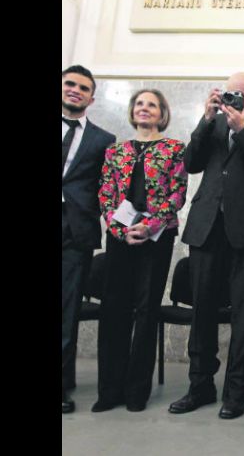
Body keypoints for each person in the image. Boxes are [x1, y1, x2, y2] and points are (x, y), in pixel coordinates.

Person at [168, 72, 244, 420]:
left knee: (243, 315)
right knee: (202, 310)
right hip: (206, 228)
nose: (242, 101)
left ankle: (237, 391)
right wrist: (206, 120)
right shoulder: (213, 124)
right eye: (236, 94)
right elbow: (191, 163)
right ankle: (200, 385)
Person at [94, 89, 188, 412]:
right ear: (132, 112)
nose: (144, 109)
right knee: (114, 308)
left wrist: (149, 226)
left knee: (147, 310)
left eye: (152, 104)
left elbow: (177, 193)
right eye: (139, 104)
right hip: (120, 238)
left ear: (162, 113)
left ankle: (136, 392)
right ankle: (109, 390)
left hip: (157, 238)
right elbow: (105, 193)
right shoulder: (115, 152)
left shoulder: (174, 149)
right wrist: (120, 230)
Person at [62, 65, 116, 414]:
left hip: (75, 231)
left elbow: (107, 188)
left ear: (91, 98)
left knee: (66, 312)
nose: (75, 90)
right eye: (69, 83)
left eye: (83, 87)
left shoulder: (103, 140)